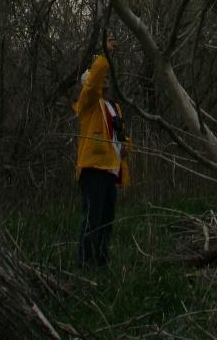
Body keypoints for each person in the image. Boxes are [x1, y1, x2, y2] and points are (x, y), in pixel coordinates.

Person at [73, 36, 130, 268]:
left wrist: (128, 146)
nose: (105, 80)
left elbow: (118, 136)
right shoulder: (87, 103)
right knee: (92, 219)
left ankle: (101, 262)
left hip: (110, 171)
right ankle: (86, 263)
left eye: (107, 78)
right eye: (100, 78)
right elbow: (94, 81)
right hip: (93, 170)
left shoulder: (114, 106)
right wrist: (104, 55)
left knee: (106, 221)